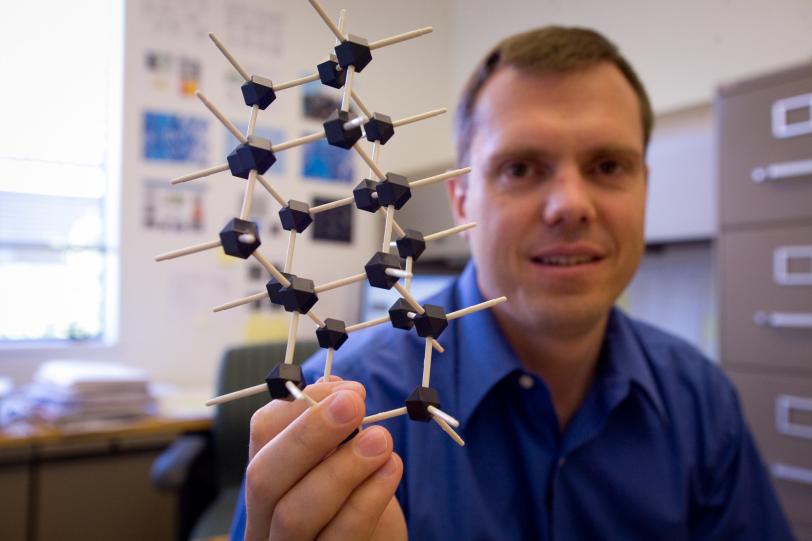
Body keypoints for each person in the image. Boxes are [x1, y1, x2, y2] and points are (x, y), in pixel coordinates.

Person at [231, 27, 793, 540]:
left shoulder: (701, 401)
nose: (571, 205)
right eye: (521, 168)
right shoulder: (344, 402)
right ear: (461, 199)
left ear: (644, 187)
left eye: (608, 166)